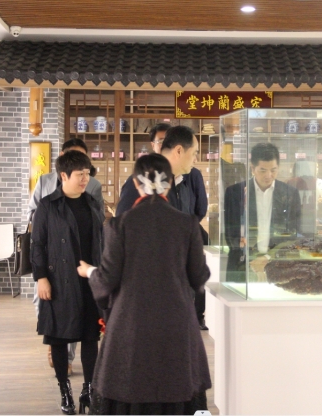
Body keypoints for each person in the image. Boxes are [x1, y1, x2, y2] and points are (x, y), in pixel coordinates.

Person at [77, 154, 211, 415]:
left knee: (129, 386)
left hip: (131, 326)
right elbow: (198, 277)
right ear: (169, 183)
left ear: (136, 184)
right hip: (176, 325)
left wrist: (89, 272)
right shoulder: (187, 224)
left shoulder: (120, 225)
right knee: (177, 386)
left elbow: (107, 280)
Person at [30, 151, 103, 415]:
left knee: (90, 337)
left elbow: (101, 242)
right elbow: (37, 244)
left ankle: (88, 389)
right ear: (63, 175)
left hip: (88, 279)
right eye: (80, 175)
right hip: (58, 281)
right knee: (59, 338)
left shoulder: (92, 203)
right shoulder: (48, 205)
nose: (85, 179)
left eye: (87, 174)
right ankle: (65, 390)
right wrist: (41, 278)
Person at [116, 124, 209, 330]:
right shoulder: (143, 181)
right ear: (179, 151)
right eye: (194, 153)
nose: (196, 159)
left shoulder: (182, 181)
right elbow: (122, 229)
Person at [224, 142, 301, 282]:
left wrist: (268, 257)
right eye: (263, 170)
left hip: (278, 265)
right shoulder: (235, 192)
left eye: (273, 170)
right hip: (243, 264)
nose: (268, 175)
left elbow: (294, 232)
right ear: (252, 168)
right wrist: (250, 256)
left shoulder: (290, 193)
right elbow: (231, 233)